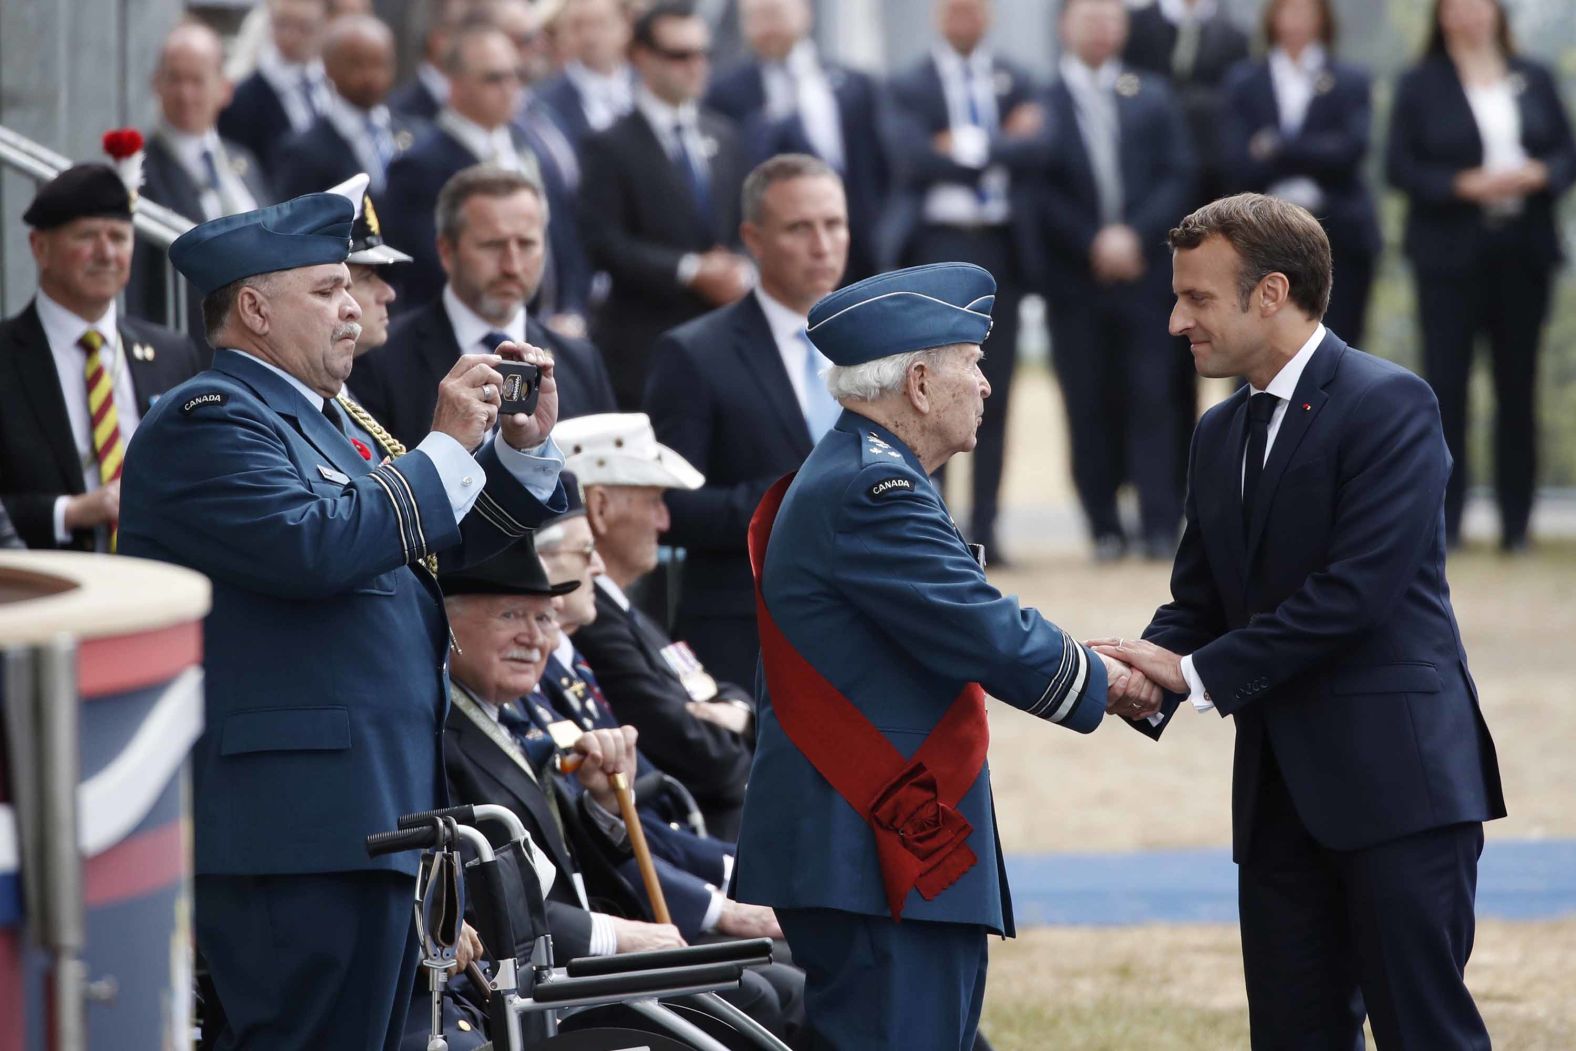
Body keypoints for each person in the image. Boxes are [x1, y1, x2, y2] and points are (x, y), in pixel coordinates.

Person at [117, 185, 568, 1048]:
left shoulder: (326, 425)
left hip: (374, 818)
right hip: (294, 831)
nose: (354, 307)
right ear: (253, 307)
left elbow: (432, 546)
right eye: (327, 289)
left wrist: (517, 450)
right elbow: (315, 546)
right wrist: (440, 447)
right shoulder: (208, 419)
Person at [1097, 194, 1505, 1050]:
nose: (1177, 321)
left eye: (1198, 299)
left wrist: (1194, 675)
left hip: (1399, 794)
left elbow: (1352, 595)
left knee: (1424, 1033)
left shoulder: (1391, 404)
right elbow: (1201, 602)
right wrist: (1138, 672)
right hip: (1279, 803)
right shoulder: (1217, 434)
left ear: (1271, 292)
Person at [733, 262, 1130, 1049]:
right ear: (919, 381)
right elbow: (980, 625)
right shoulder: (873, 491)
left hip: (874, 847)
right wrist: (1108, 682)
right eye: (973, 364)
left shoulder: (864, 474)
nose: (986, 385)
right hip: (871, 855)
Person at [439, 535, 802, 1041]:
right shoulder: (440, 731)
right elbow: (476, 897)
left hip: (572, 963)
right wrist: (612, 935)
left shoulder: (511, 713)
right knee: (760, 993)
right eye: (511, 615)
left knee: (785, 982)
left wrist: (606, 804)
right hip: (531, 990)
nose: (534, 637)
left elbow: (569, 857)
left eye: (544, 619)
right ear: (448, 624)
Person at [644, 153, 848, 688]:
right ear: (753, 239)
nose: (822, 245)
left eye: (834, 224)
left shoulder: (881, 350)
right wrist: (797, 501)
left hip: (867, 624)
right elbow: (671, 504)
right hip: (747, 636)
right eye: (799, 228)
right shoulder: (693, 353)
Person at [1386, 0, 1576, 552]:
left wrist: (1539, 173)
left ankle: (1517, 525)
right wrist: (1461, 185)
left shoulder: (1532, 76)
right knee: (1445, 388)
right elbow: (1399, 167)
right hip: (1448, 256)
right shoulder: (1421, 83)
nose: (1469, 15)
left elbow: (1566, 151)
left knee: (1518, 386)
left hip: (1523, 252)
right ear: (1441, 16)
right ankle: (1447, 521)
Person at [883, 0, 1051, 562]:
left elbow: (1039, 148)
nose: (965, 18)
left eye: (974, 9)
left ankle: (989, 523)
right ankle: (935, 521)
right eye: (955, 9)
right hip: (937, 243)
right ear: (937, 16)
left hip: (1001, 245)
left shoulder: (1017, 77)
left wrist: (964, 145)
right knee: (933, 389)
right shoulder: (910, 82)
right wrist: (997, 145)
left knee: (991, 388)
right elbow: (911, 157)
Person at [1038, 0, 1196, 563]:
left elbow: (1179, 172)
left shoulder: (1151, 95)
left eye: (1112, 18)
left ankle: (1159, 523)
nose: (1104, 28)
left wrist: (1134, 236)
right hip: (1074, 279)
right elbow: (1037, 186)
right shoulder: (1041, 102)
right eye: (1091, 17)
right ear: (1064, 25)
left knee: (1155, 399)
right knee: (1086, 401)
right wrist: (1092, 241)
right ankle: (1103, 524)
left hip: (1148, 275)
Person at [558, 413, 759, 840]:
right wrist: (738, 730)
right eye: (653, 500)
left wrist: (739, 717)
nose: (665, 521)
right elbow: (709, 761)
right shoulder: (595, 624)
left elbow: (708, 688)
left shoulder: (624, 613)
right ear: (600, 507)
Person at [0, 164, 205, 552]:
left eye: (118, 237)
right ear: (39, 247)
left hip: (159, 577)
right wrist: (70, 512)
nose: (106, 253)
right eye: (87, 236)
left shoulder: (172, 353)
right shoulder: (6, 354)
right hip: (48, 583)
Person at [354, 165, 616, 448]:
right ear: (446, 251)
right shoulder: (380, 359)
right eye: (493, 246)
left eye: (527, 244)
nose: (512, 266)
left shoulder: (580, 363)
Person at [577, 0, 752, 409]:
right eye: (679, 55)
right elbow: (602, 242)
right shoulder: (609, 144)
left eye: (703, 54)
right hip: (645, 349)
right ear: (640, 56)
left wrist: (740, 267)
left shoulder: (724, 135)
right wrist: (690, 270)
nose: (695, 65)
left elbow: (744, 224)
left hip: (723, 339)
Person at [1219, 0, 1381, 347]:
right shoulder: (1244, 80)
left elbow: (1351, 150)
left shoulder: (1350, 80)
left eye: (1307, 12)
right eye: (1288, 11)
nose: (1297, 22)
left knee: (1338, 349)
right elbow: (1236, 160)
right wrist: (1315, 150)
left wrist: (1276, 146)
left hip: (1339, 235)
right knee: (1256, 347)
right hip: (1259, 238)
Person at [706, 0, 891, 281]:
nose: (765, 28)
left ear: (805, 13)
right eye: (753, 18)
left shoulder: (855, 84)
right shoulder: (725, 93)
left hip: (858, 247)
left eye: (773, 13)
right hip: (777, 247)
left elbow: (880, 165)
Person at [383, 19, 545, 311]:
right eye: (494, 79)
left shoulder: (526, 144)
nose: (510, 88)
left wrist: (571, 305)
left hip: (539, 325)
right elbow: (428, 264)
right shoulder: (419, 165)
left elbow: (560, 237)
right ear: (454, 84)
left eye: (516, 75)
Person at [128, 21, 273, 336]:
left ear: (224, 88)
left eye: (197, 80)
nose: (185, 93)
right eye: (175, 79)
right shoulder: (138, 172)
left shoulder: (243, 161)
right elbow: (135, 287)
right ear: (156, 84)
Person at [273, 14, 421, 200]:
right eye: (357, 64)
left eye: (380, 63)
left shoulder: (416, 137)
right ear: (328, 67)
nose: (370, 76)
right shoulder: (304, 152)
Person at [218, 0, 332, 179]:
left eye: (305, 28)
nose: (292, 37)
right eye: (283, 25)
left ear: (324, 26)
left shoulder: (329, 82)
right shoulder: (243, 99)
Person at [537, 0, 637, 149]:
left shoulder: (648, 87)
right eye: (578, 26)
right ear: (562, 33)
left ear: (625, 27)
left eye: (601, 24)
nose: (590, 37)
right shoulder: (544, 104)